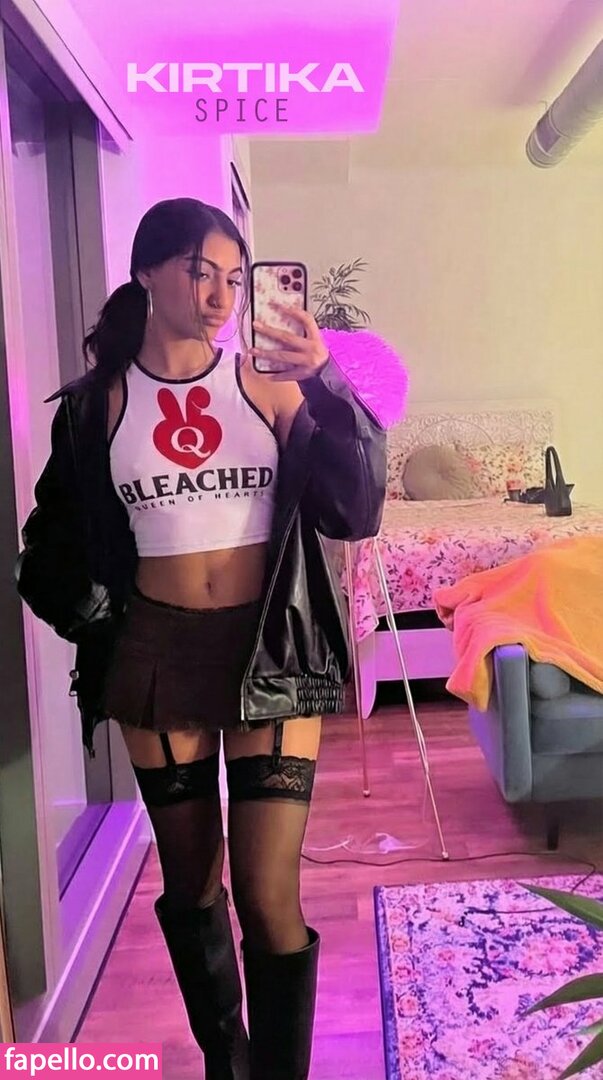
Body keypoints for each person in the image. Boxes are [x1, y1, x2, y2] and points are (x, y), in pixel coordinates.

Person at [15, 197, 386, 1080]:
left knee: (267, 892)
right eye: (198, 272)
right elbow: (46, 546)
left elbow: (357, 506)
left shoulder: (269, 384)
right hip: (155, 658)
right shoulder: (96, 407)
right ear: (147, 271)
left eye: (231, 277)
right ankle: (229, 1061)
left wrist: (327, 381)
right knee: (191, 881)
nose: (220, 295)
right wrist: (99, 623)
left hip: (270, 653)